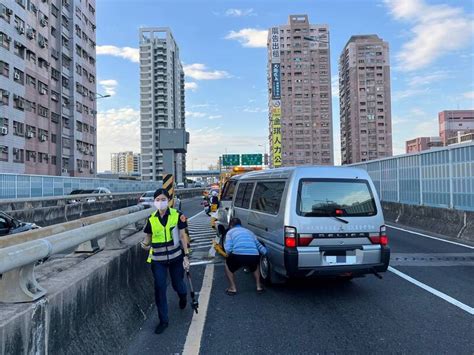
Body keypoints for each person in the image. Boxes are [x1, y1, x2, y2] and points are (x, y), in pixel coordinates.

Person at [140, 188, 190, 334]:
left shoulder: (177, 215)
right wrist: (143, 245)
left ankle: (183, 295)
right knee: (160, 288)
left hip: (176, 258)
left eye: (163, 199)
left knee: (178, 284)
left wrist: (186, 256)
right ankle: (163, 321)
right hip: (158, 260)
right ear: (154, 202)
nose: (160, 202)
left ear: (168, 201)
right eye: (157, 200)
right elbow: (148, 238)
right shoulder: (151, 219)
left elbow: (182, 236)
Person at [223, 218, 267, 295]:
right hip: (254, 255)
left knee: (227, 265)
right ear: (241, 225)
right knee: (255, 266)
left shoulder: (230, 232)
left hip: (238, 255)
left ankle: (233, 288)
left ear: (231, 225)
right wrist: (265, 252)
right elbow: (259, 245)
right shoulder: (249, 232)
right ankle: (258, 286)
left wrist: (228, 256)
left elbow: (228, 249)